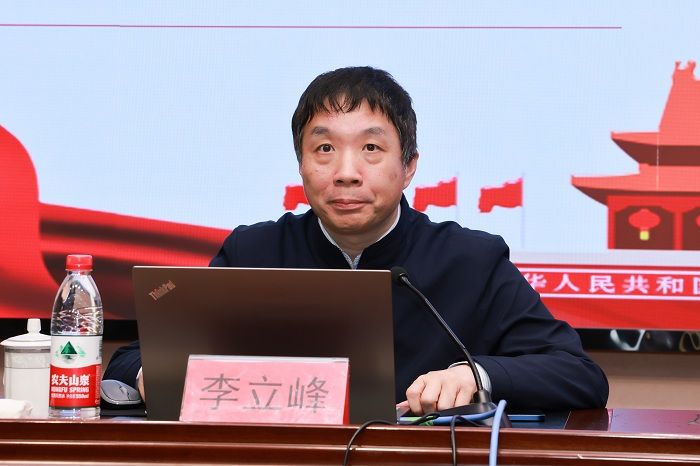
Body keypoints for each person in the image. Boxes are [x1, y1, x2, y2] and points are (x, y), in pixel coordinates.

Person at [105, 66, 608, 415]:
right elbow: (131, 361)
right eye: (324, 148)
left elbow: (578, 375)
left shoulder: (470, 259)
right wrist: (156, 374)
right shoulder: (254, 252)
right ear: (301, 164)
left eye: (370, 148)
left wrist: (476, 375)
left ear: (408, 166)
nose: (346, 172)